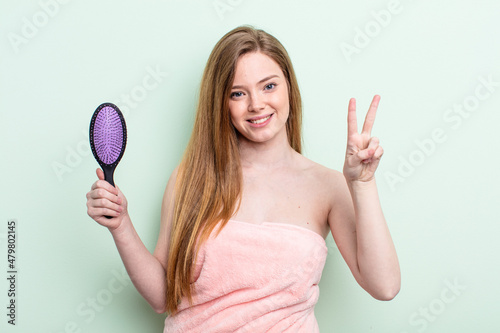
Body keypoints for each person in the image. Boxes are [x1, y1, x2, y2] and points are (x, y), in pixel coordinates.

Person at [86, 25, 400, 332]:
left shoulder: (327, 185)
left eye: (269, 86)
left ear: (289, 86)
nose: (256, 104)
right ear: (221, 102)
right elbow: (160, 298)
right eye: (238, 93)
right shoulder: (190, 179)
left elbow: (384, 286)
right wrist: (120, 224)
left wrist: (362, 184)